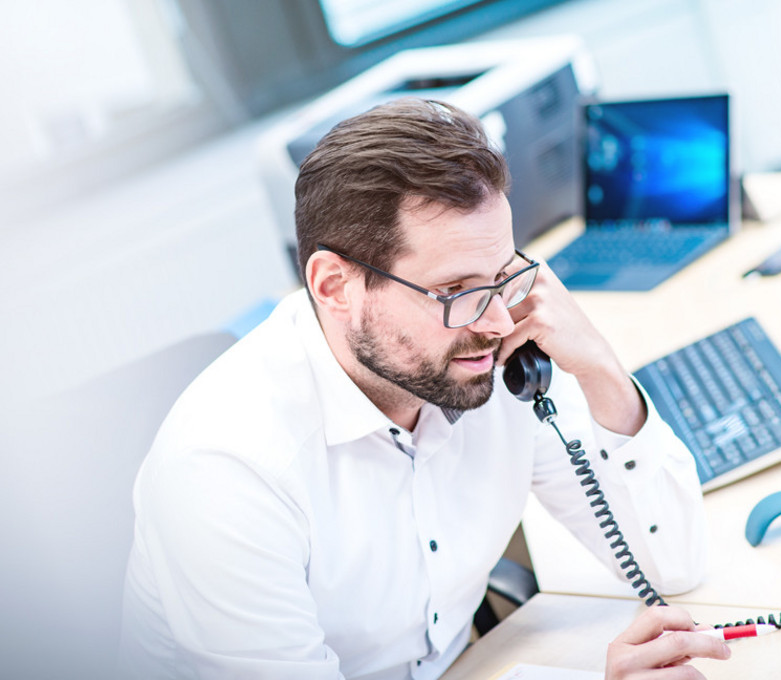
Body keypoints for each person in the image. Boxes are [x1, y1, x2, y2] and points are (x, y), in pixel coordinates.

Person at [118, 97, 729, 679]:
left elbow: (671, 565)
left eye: (502, 277)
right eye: (457, 291)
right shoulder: (226, 471)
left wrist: (599, 366)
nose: (494, 321)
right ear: (334, 287)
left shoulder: (491, 353)